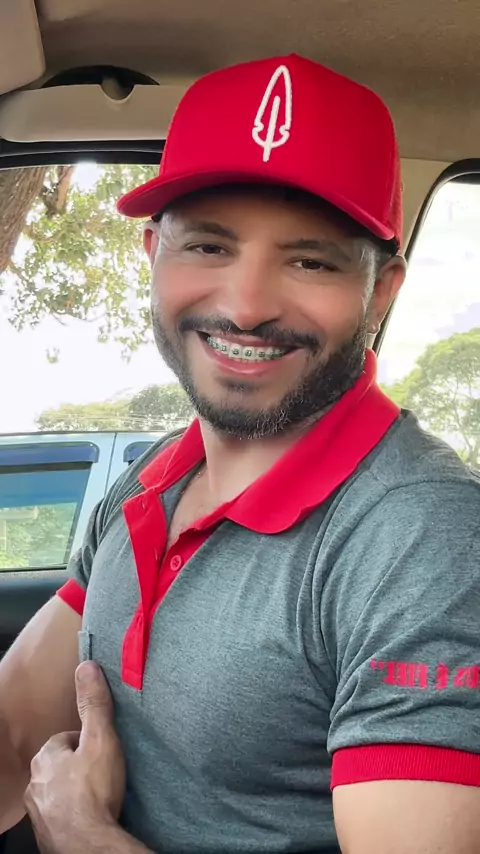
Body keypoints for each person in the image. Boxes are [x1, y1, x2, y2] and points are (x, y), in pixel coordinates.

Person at [1, 52, 480, 854]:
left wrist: (83, 836)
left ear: (382, 291)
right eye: (209, 247)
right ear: (152, 254)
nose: (247, 306)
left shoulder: (422, 540)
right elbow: (17, 727)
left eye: (310, 261)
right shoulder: (155, 475)